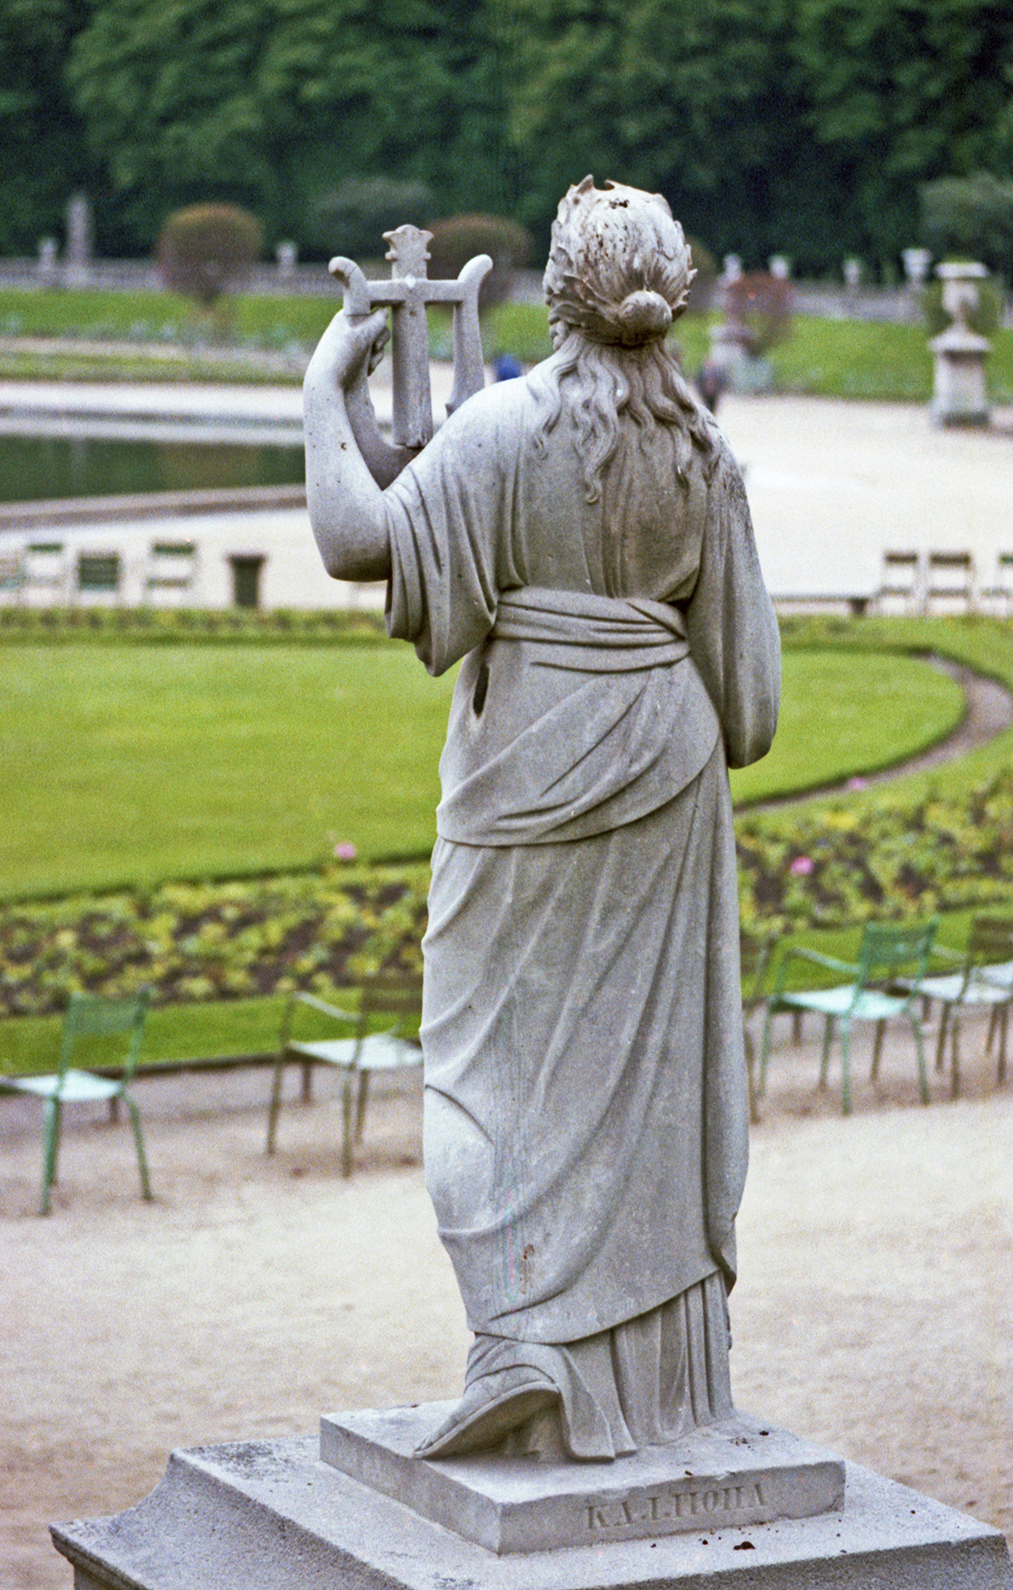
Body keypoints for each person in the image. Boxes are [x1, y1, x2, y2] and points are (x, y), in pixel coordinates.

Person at [303, 176, 780, 1464]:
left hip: (523, 764)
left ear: (562, 287)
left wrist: (320, 394)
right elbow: (754, 709)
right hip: (667, 770)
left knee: (478, 1064)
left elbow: (359, 542)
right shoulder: (707, 454)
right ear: (670, 287)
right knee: (640, 1086)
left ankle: (516, 1337)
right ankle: (652, 1388)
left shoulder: (504, 430)